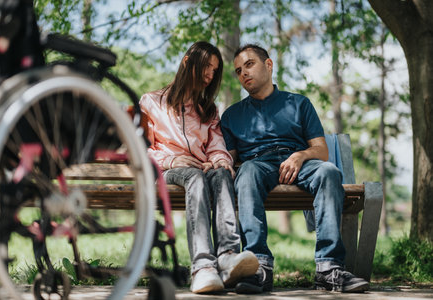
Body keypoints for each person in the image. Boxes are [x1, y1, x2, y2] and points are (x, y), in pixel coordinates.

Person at [220, 44, 370, 294]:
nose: (243, 73)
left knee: (329, 172)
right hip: (258, 165)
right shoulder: (231, 115)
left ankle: (329, 269)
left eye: (249, 64)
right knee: (246, 173)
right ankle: (258, 266)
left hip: (299, 163)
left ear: (268, 65)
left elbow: (321, 150)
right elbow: (230, 160)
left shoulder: (299, 103)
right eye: (238, 70)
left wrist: (300, 156)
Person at [140, 41, 259, 294]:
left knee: (221, 172)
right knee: (195, 175)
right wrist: (172, 160)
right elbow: (139, 150)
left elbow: (216, 145)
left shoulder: (208, 109)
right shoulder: (151, 102)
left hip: (199, 170)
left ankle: (227, 256)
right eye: (206, 66)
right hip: (166, 173)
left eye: (214, 70)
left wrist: (220, 160)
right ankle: (203, 266)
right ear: (187, 62)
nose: (209, 74)